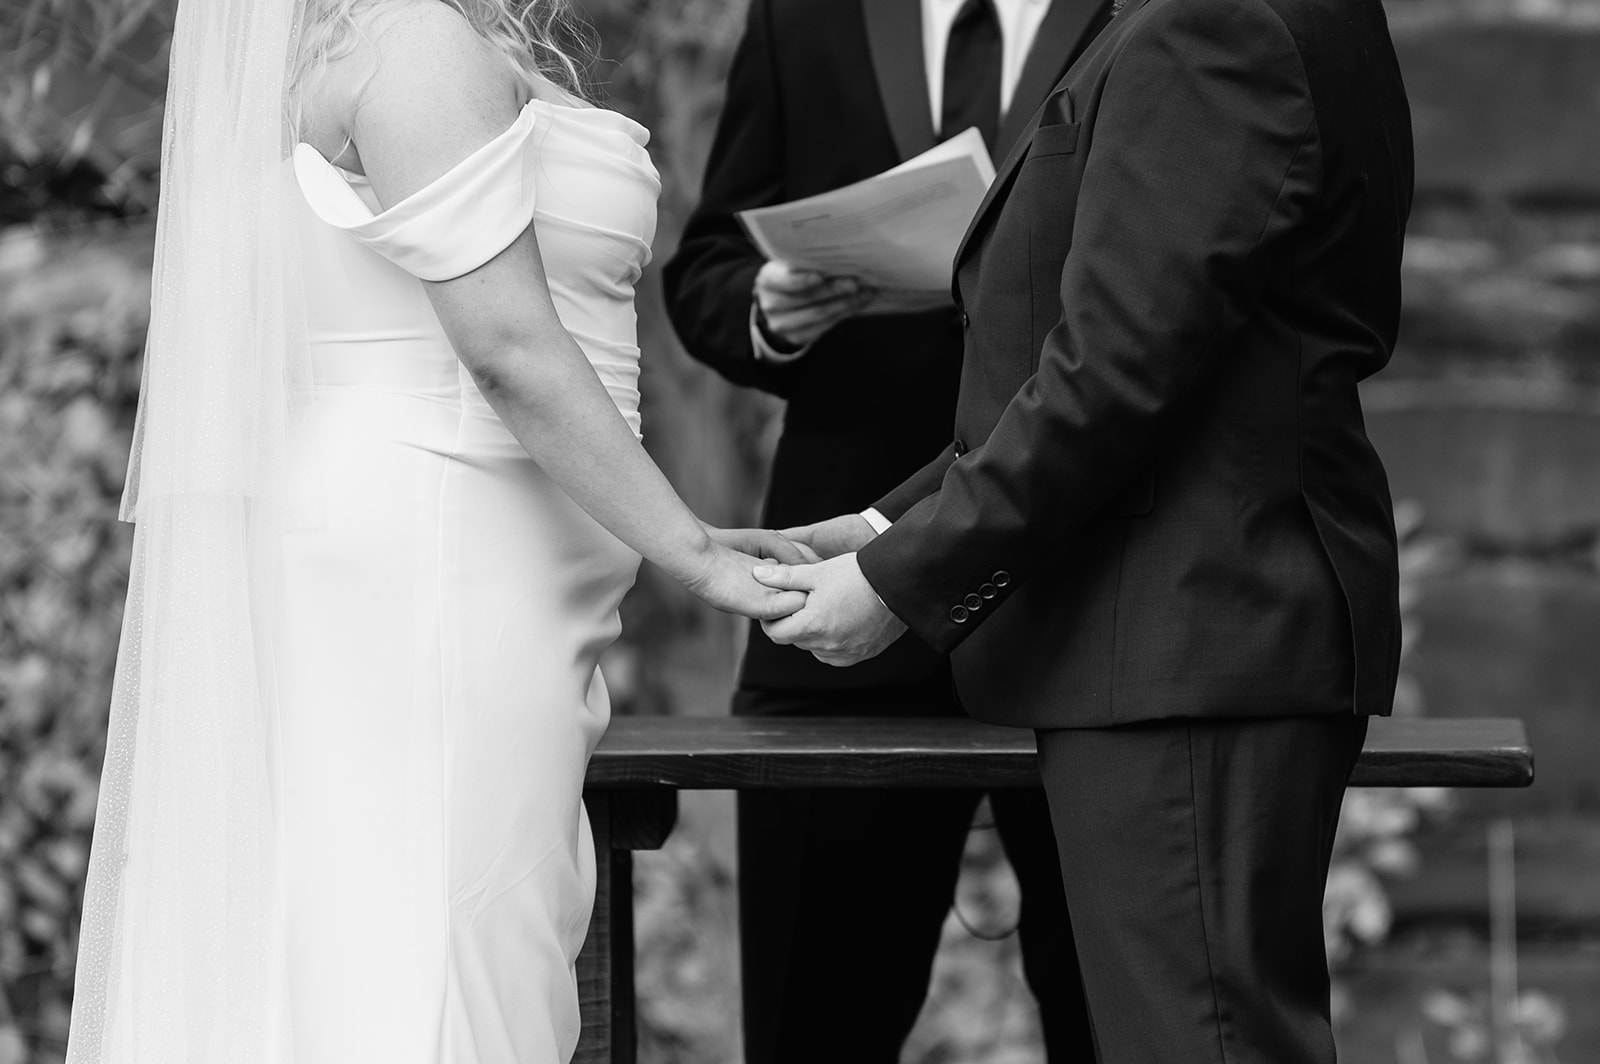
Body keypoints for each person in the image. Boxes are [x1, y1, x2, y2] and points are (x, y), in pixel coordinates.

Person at [65, 2, 811, 1062]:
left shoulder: (392, 39)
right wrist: (691, 551)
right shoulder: (412, 40)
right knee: (440, 931)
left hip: (474, 543)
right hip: (438, 544)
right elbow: (505, 344)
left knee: (417, 918)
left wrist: (673, 520)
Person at [752, 0, 1414, 1058]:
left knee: (1197, 1039)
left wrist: (901, 581)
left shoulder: (1213, 23)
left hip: (1187, 624)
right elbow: (1126, 349)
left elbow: (1115, 368)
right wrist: (889, 521)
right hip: (1197, 625)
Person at [662, 0, 1110, 1059]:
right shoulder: (803, 17)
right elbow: (706, 269)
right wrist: (767, 307)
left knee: (1117, 1012)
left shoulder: (1140, 16)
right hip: (837, 576)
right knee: (813, 1013)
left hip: (1087, 582)